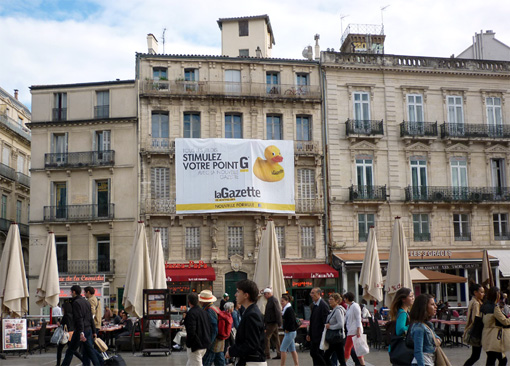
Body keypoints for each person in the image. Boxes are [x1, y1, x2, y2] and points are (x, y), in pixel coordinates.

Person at [225, 279, 265, 365]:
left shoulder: (252, 315)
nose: (235, 294)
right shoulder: (250, 312)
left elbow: (251, 344)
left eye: (238, 292)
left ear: (246, 295)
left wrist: (231, 351)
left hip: (251, 362)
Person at [61, 285, 100, 366]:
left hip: (81, 330)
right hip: (88, 329)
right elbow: (90, 317)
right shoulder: (86, 302)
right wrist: (93, 331)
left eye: (71, 292)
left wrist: (81, 332)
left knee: (70, 350)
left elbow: (79, 318)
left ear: (74, 292)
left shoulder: (76, 303)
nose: (70, 293)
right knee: (88, 351)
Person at [481, 286, 510, 366]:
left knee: (491, 359)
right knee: (502, 360)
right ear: (496, 295)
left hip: (486, 336)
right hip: (494, 338)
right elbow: (505, 322)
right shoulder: (495, 308)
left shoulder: (484, 306)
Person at [409, 294, 441, 366]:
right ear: (424, 307)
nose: (436, 307)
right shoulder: (419, 327)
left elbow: (437, 339)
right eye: (432, 304)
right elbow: (418, 351)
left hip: (429, 361)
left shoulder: (427, 325)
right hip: (423, 362)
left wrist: (437, 340)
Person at [184, 292, 212, 366]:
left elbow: (191, 331)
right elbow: (209, 327)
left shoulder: (191, 313)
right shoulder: (204, 312)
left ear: (189, 302)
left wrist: (189, 344)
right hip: (204, 343)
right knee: (191, 363)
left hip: (196, 345)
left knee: (195, 362)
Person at [199, 290, 225, 366]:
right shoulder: (215, 308)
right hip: (219, 340)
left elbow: (214, 328)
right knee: (219, 360)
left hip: (214, 342)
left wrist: (209, 342)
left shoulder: (209, 310)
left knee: (206, 361)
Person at [306, 287, 329, 366]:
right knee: (315, 354)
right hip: (314, 334)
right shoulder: (314, 305)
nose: (311, 295)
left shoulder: (323, 305)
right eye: (311, 293)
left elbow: (325, 321)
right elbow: (312, 321)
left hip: (319, 335)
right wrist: (309, 333)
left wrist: (323, 334)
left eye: (313, 293)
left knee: (315, 353)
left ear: (319, 294)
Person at [56, 300, 83, 366]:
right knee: (73, 350)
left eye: (63, 308)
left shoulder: (65, 316)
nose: (62, 310)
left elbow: (63, 325)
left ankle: (58, 364)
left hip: (66, 334)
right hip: (72, 333)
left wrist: (59, 323)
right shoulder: (73, 315)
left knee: (60, 349)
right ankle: (82, 359)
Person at [463, 283, 485, 366]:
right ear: (475, 292)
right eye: (482, 292)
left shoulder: (473, 301)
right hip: (476, 332)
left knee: (475, 356)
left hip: (473, 331)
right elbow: (476, 319)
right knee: (475, 356)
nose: (483, 294)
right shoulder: (476, 303)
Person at [324, 293, 347, 366]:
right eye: (329, 299)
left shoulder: (337, 310)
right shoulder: (334, 310)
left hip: (337, 338)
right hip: (336, 338)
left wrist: (330, 327)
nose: (329, 301)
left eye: (331, 299)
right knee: (341, 359)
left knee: (326, 357)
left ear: (337, 301)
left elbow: (340, 324)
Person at [343, 292, 364, 366]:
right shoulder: (349, 307)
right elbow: (346, 318)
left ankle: (343, 363)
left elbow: (358, 318)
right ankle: (362, 364)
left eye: (345, 298)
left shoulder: (355, 306)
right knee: (357, 349)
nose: (344, 299)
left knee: (347, 348)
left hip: (354, 330)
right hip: (351, 329)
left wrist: (358, 330)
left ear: (348, 298)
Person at [280, 293, 299, 366]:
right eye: (281, 301)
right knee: (292, 349)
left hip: (290, 332)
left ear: (287, 301)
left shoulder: (288, 309)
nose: (281, 303)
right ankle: (296, 364)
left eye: (282, 301)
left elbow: (291, 320)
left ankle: (282, 365)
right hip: (291, 332)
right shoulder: (287, 309)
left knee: (282, 349)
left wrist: (287, 329)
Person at [263, 287, 282, 360]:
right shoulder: (270, 300)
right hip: (273, 322)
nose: (264, 295)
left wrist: (279, 321)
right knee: (276, 338)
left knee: (266, 337)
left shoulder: (273, 300)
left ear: (268, 293)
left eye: (265, 294)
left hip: (272, 322)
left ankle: (267, 354)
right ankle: (279, 353)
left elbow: (277, 311)